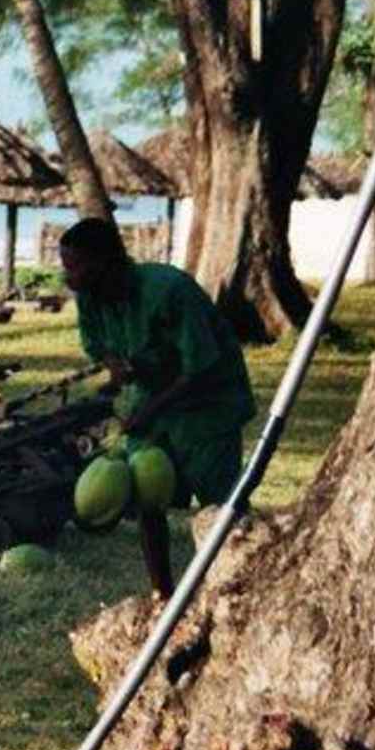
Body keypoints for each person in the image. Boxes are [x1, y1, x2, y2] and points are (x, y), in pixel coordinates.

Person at [57, 218, 255, 596]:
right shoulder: (90, 297)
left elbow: (199, 366)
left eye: (76, 266)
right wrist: (116, 372)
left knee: (222, 507)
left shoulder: (170, 290)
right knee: (148, 498)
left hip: (207, 407)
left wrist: (149, 410)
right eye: (66, 267)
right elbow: (100, 346)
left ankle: (238, 589)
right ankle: (162, 594)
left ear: (106, 261)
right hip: (149, 400)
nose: (69, 277)